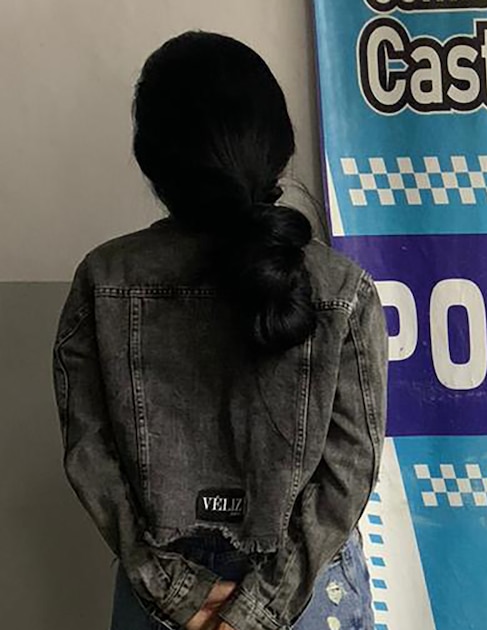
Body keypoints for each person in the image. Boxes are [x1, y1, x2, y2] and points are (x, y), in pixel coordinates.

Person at [52, 32, 387, 630]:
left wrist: (174, 590)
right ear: (278, 148)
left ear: (152, 159)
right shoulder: (343, 288)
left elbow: (90, 456)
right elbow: (349, 470)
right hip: (308, 598)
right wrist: (262, 606)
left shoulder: (103, 280)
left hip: (164, 605)